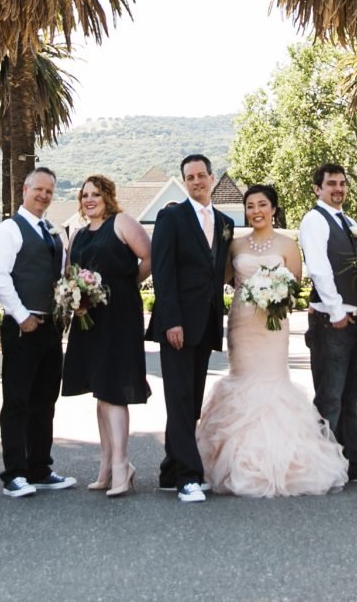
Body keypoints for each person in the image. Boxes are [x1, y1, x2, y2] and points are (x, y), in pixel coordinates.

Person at [196, 184, 349, 498]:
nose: (255, 211)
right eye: (250, 206)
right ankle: (235, 462)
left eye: (262, 205)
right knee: (242, 381)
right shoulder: (236, 246)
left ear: (273, 209)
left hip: (273, 325)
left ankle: (283, 465)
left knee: (272, 383)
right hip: (242, 323)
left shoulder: (287, 244)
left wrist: (274, 294)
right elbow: (224, 279)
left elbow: (294, 284)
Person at [148, 152, 233, 503]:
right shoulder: (171, 218)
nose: (197, 181)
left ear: (212, 178)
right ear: (184, 182)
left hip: (208, 323)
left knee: (192, 401)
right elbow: (162, 273)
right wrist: (172, 321)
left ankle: (170, 470)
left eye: (201, 175)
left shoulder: (226, 221)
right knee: (180, 400)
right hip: (178, 325)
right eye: (190, 177)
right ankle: (187, 477)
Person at [0, 165, 74, 498]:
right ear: (25, 190)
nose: (44, 195)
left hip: (50, 327)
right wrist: (22, 316)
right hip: (22, 327)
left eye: (50, 191)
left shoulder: (53, 232)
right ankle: (14, 473)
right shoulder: (10, 229)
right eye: (39, 189)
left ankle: (40, 467)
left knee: (45, 400)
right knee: (17, 401)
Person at [61, 174, 151, 497]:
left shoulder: (122, 222)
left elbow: (147, 258)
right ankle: (106, 464)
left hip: (119, 316)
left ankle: (122, 465)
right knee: (100, 393)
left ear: (108, 196)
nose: (89, 200)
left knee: (113, 390)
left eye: (95, 194)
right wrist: (77, 299)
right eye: (84, 195)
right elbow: (70, 274)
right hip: (89, 319)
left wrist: (127, 285)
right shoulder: (78, 235)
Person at [298, 163, 357, 484]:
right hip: (330, 321)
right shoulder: (314, 220)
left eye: (342, 183)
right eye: (331, 183)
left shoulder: (349, 222)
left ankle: (354, 464)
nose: (338, 188)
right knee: (329, 397)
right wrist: (336, 312)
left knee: (351, 397)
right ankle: (322, 469)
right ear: (317, 189)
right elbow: (319, 268)